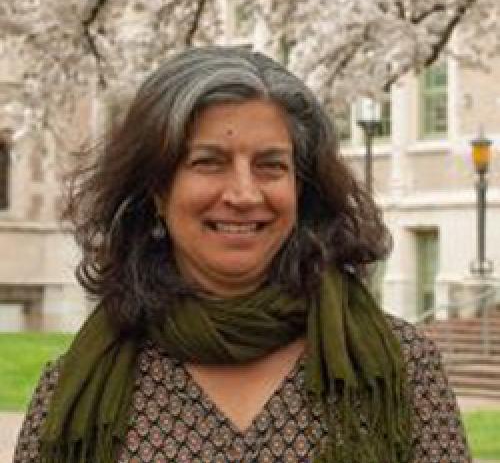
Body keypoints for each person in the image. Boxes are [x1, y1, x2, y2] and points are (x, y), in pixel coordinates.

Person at [14, 46, 470, 463]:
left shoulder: (402, 369)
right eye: (208, 162)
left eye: (271, 166)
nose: (244, 193)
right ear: (157, 189)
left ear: (301, 188)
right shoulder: (74, 391)